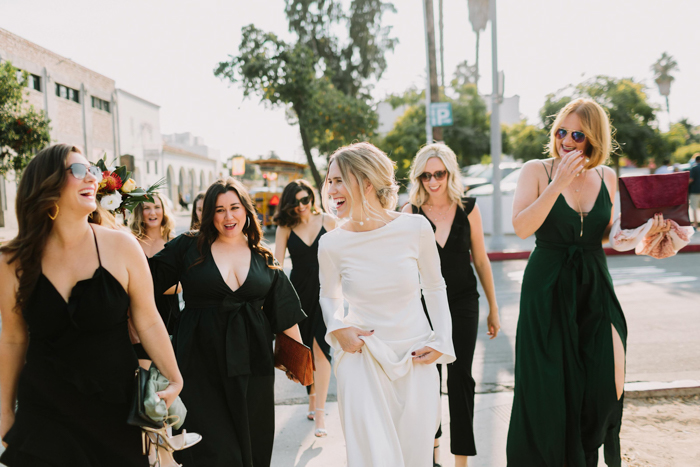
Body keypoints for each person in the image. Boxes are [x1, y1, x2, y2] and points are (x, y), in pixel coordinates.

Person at [507, 98, 670, 466]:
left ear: (593, 139)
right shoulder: (536, 170)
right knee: (549, 390)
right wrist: (558, 182)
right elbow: (520, 227)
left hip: (594, 283)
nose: (565, 140)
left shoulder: (606, 176)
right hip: (546, 286)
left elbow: (614, 236)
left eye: (577, 134)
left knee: (606, 379)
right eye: (560, 131)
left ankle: (586, 455)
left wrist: (647, 228)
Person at [0, 144, 182, 467]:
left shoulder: (122, 246)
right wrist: (3, 411)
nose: (92, 179)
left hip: (115, 413)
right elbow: (13, 339)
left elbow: (149, 320)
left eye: (93, 171)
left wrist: (175, 377)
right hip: (44, 413)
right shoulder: (12, 261)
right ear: (47, 183)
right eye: (79, 171)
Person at [148, 177, 307, 467]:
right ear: (209, 214)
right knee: (212, 449)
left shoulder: (263, 255)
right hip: (199, 362)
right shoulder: (188, 247)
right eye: (219, 210)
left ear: (246, 210)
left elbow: (285, 311)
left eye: (234, 207)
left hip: (253, 363)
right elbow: (144, 281)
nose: (228, 216)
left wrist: (297, 361)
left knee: (253, 443)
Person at [318, 142, 456, 467]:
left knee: (414, 457)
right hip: (361, 357)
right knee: (372, 458)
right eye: (329, 181)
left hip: (416, 358)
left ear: (366, 182)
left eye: (339, 180)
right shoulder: (331, 243)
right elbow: (329, 295)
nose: (331, 189)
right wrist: (338, 328)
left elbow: (435, 287)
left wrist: (441, 341)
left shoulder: (416, 228)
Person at [402, 143, 500, 467]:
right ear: (419, 177)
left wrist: (493, 308)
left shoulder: (468, 208)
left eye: (439, 174)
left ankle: (461, 462)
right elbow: (401, 267)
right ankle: (431, 458)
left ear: (449, 172)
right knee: (429, 380)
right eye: (426, 175)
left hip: (463, 303)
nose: (433, 181)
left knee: (460, 379)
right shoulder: (411, 212)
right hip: (424, 306)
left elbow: (482, 262)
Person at [273, 179, 336, 437]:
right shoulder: (285, 227)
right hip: (298, 297)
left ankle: (320, 413)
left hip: (325, 294)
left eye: (305, 200)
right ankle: (311, 397)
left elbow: (341, 256)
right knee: (304, 353)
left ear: (312, 198)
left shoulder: (329, 222)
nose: (301, 206)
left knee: (322, 352)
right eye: (295, 201)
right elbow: (276, 265)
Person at [128, 193, 182, 357]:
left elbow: (181, 286)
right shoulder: (131, 242)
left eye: (157, 207)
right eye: (147, 208)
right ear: (139, 212)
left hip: (168, 315)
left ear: (164, 211)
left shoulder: (175, 243)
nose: (153, 213)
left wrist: (140, 289)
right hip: (136, 316)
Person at [689, 154, 700, 227]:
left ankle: (695, 224)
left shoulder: (694, 168)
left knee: (694, 208)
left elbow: (691, 179)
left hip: (695, 191)